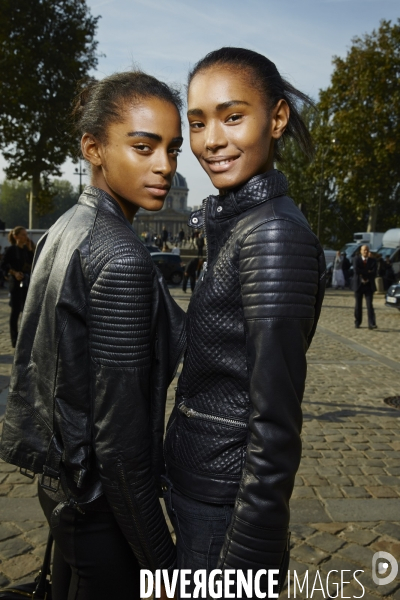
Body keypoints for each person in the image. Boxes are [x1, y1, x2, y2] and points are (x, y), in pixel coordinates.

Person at [0, 71, 186, 599]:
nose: (166, 166)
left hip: (63, 488)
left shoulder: (65, 227)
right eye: (144, 146)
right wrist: (165, 566)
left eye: (172, 149)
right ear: (93, 147)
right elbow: (121, 446)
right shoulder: (122, 256)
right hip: (104, 509)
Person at [163, 47, 326, 597]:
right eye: (198, 122)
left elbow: (275, 421)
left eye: (233, 116)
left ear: (276, 119)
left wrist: (250, 552)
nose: (211, 140)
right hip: (199, 484)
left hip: (224, 505)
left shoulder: (272, 234)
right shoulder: (237, 222)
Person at [0, 227, 35, 347]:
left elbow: (33, 263)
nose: (25, 237)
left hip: (26, 282)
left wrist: (30, 249)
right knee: (15, 312)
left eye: (26, 235)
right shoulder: (11, 250)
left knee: (27, 310)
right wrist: (14, 273)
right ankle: (14, 339)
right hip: (15, 282)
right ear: (16, 237)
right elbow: (3, 265)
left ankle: (25, 337)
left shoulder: (26, 249)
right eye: (23, 235)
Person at [353, 244, 377, 329]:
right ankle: (357, 322)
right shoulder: (356, 259)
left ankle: (371, 323)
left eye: (367, 250)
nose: (366, 251)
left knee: (369, 305)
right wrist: (367, 271)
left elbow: (374, 272)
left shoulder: (373, 261)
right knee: (358, 305)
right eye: (364, 250)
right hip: (359, 285)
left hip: (368, 286)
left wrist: (362, 272)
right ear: (361, 251)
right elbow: (356, 270)